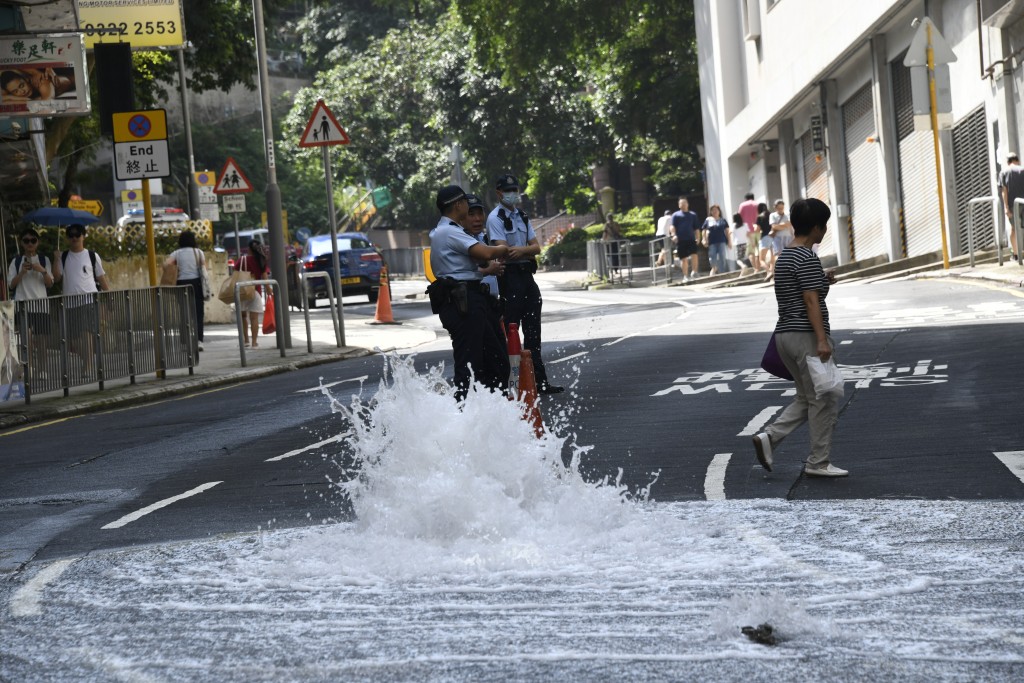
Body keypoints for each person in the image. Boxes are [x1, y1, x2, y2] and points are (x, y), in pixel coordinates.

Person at [752, 197, 848, 478]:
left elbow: (804, 292)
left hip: (785, 336)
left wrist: (822, 281)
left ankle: (770, 438)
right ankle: (818, 462)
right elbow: (809, 301)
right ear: (817, 227)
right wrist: (821, 339)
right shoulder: (806, 257)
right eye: (825, 225)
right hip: (806, 336)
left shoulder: (785, 257)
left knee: (809, 397)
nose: (825, 230)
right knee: (825, 397)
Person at [429, 184, 510, 401]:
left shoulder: (448, 231)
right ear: (458, 205)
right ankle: (466, 415)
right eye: (466, 202)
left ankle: (492, 410)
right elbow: (484, 253)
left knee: (494, 359)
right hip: (464, 302)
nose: (469, 207)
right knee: (471, 365)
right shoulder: (449, 232)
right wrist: (504, 248)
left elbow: (478, 258)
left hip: (469, 299)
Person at [487, 173, 563, 394]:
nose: (513, 194)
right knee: (511, 330)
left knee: (533, 332)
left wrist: (520, 251)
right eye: (508, 190)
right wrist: (524, 251)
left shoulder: (521, 215)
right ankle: (511, 384)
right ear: (499, 193)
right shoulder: (495, 218)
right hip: (509, 279)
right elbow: (503, 250)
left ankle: (540, 382)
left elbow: (536, 247)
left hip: (526, 277)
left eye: (515, 190)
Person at [53, 224, 110, 376]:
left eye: (77, 235)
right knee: (73, 340)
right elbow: (57, 277)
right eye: (71, 235)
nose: (74, 238)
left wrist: (109, 295)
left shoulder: (92, 256)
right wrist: (56, 259)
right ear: (67, 238)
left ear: (83, 236)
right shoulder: (63, 256)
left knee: (86, 334)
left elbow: (101, 277)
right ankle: (87, 359)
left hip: (88, 301)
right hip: (70, 302)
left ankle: (88, 365)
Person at [6, 227, 54, 371]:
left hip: (41, 306)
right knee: (26, 341)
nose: (30, 244)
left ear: (37, 242)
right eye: (26, 241)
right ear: (21, 243)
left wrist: (42, 270)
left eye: (33, 240)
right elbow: (11, 285)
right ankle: (29, 369)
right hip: (23, 305)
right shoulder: (16, 261)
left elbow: (50, 283)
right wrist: (22, 273)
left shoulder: (44, 260)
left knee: (42, 342)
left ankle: (43, 369)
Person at [163, 231, 207, 351]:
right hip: (196, 284)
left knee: (184, 313)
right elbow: (203, 268)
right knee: (198, 313)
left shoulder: (176, 253)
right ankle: (199, 341)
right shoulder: (199, 252)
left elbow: (166, 264)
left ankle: (185, 342)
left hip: (181, 284)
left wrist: (176, 268)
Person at [237, 240, 268, 348]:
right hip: (256, 291)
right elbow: (264, 276)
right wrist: (268, 288)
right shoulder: (261, 260)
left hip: (242, 291)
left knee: (243, 316)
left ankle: (246, 340)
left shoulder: (242, 259)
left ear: (249, 249)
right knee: (254, 318)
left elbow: (235, 271)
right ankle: (254, 342)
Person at [999, 152, 1024, 260]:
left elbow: (1004, 191)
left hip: (1013, 205)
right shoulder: (1022, 169)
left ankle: (1016, 255)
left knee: (1014, 229)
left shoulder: (1004, 172)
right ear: (1017, 160)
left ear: (1008, 162)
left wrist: (1006, 207)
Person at [669, 197, 700, 282]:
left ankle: (694, 272)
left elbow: (696, 227)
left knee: (694, 255)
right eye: (681, 203)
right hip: (681, 240)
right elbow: (672, 226)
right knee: (684, 258)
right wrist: (674, 235)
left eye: (685, 203)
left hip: (691, 239)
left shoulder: (693, 215)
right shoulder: (676, 215)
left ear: (687, 204)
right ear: (679, 205)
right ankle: (685, 276)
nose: (683, 204)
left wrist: (698, 237)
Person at [1, 67, 74, 101]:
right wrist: (10, 97)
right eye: (15, 91)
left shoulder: (42, 82)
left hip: (75, 77)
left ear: (26, 79)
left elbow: (47, 103)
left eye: (22, 85)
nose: (22, 92)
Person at [701, 205, 732, 275]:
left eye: (716, 210)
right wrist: (704, 239)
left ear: (719, 211)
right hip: (712, 242)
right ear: (711, 212)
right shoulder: (708, 220)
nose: (714, 211)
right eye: (713, 210)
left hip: (722, 241)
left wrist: (729, 241)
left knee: (722, 257)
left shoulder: (723, 220)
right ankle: (714, 268)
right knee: (712, 256)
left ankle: (722, 273)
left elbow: (727, 231)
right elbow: (704, 230)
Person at [766, 199, 792, 281]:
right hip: (777, 238)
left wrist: (780, 226)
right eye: (779, 208)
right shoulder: (772, 215)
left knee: (788, 256)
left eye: (782, 208)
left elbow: (790, 224)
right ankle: (778, 273)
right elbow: (774, 227)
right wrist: (784, 225)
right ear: (775, 207)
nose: (781, 210)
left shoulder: (787, 214)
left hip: (788, 237)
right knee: (779, 256)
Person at [738, 192, 761, 272]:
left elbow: (739, 218)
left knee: (751, 252)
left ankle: (756, 269)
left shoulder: (742, 205)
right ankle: (760, 267)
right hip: (758, 229)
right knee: (758, 249)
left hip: (748, 232)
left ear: (745, 198)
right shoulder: (757, 204)